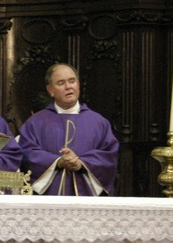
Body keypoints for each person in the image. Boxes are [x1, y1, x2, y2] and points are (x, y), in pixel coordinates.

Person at [19, 63, 119, 196]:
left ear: (78, 84)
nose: (68, 87)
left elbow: (109, 156)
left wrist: (82, 163)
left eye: (72, 81)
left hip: (88, 200)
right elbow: (27, 154)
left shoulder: (98, 122)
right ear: (50, 90)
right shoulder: (35, 122)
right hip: (49, 201)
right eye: (61, 83)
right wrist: (58, 162)